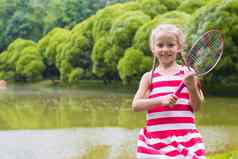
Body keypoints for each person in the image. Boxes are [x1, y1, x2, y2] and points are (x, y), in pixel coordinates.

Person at [132, 24, 205, 159]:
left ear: (179, 47)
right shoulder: (149, 77)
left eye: (170, 45)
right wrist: (160, 100)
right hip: (156, 142)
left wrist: (191, 87)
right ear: (153, 49)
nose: (165, 49)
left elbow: (197, 107)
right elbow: (135, 106)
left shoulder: (188, 73)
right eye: (160, 45)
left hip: (185, 141)